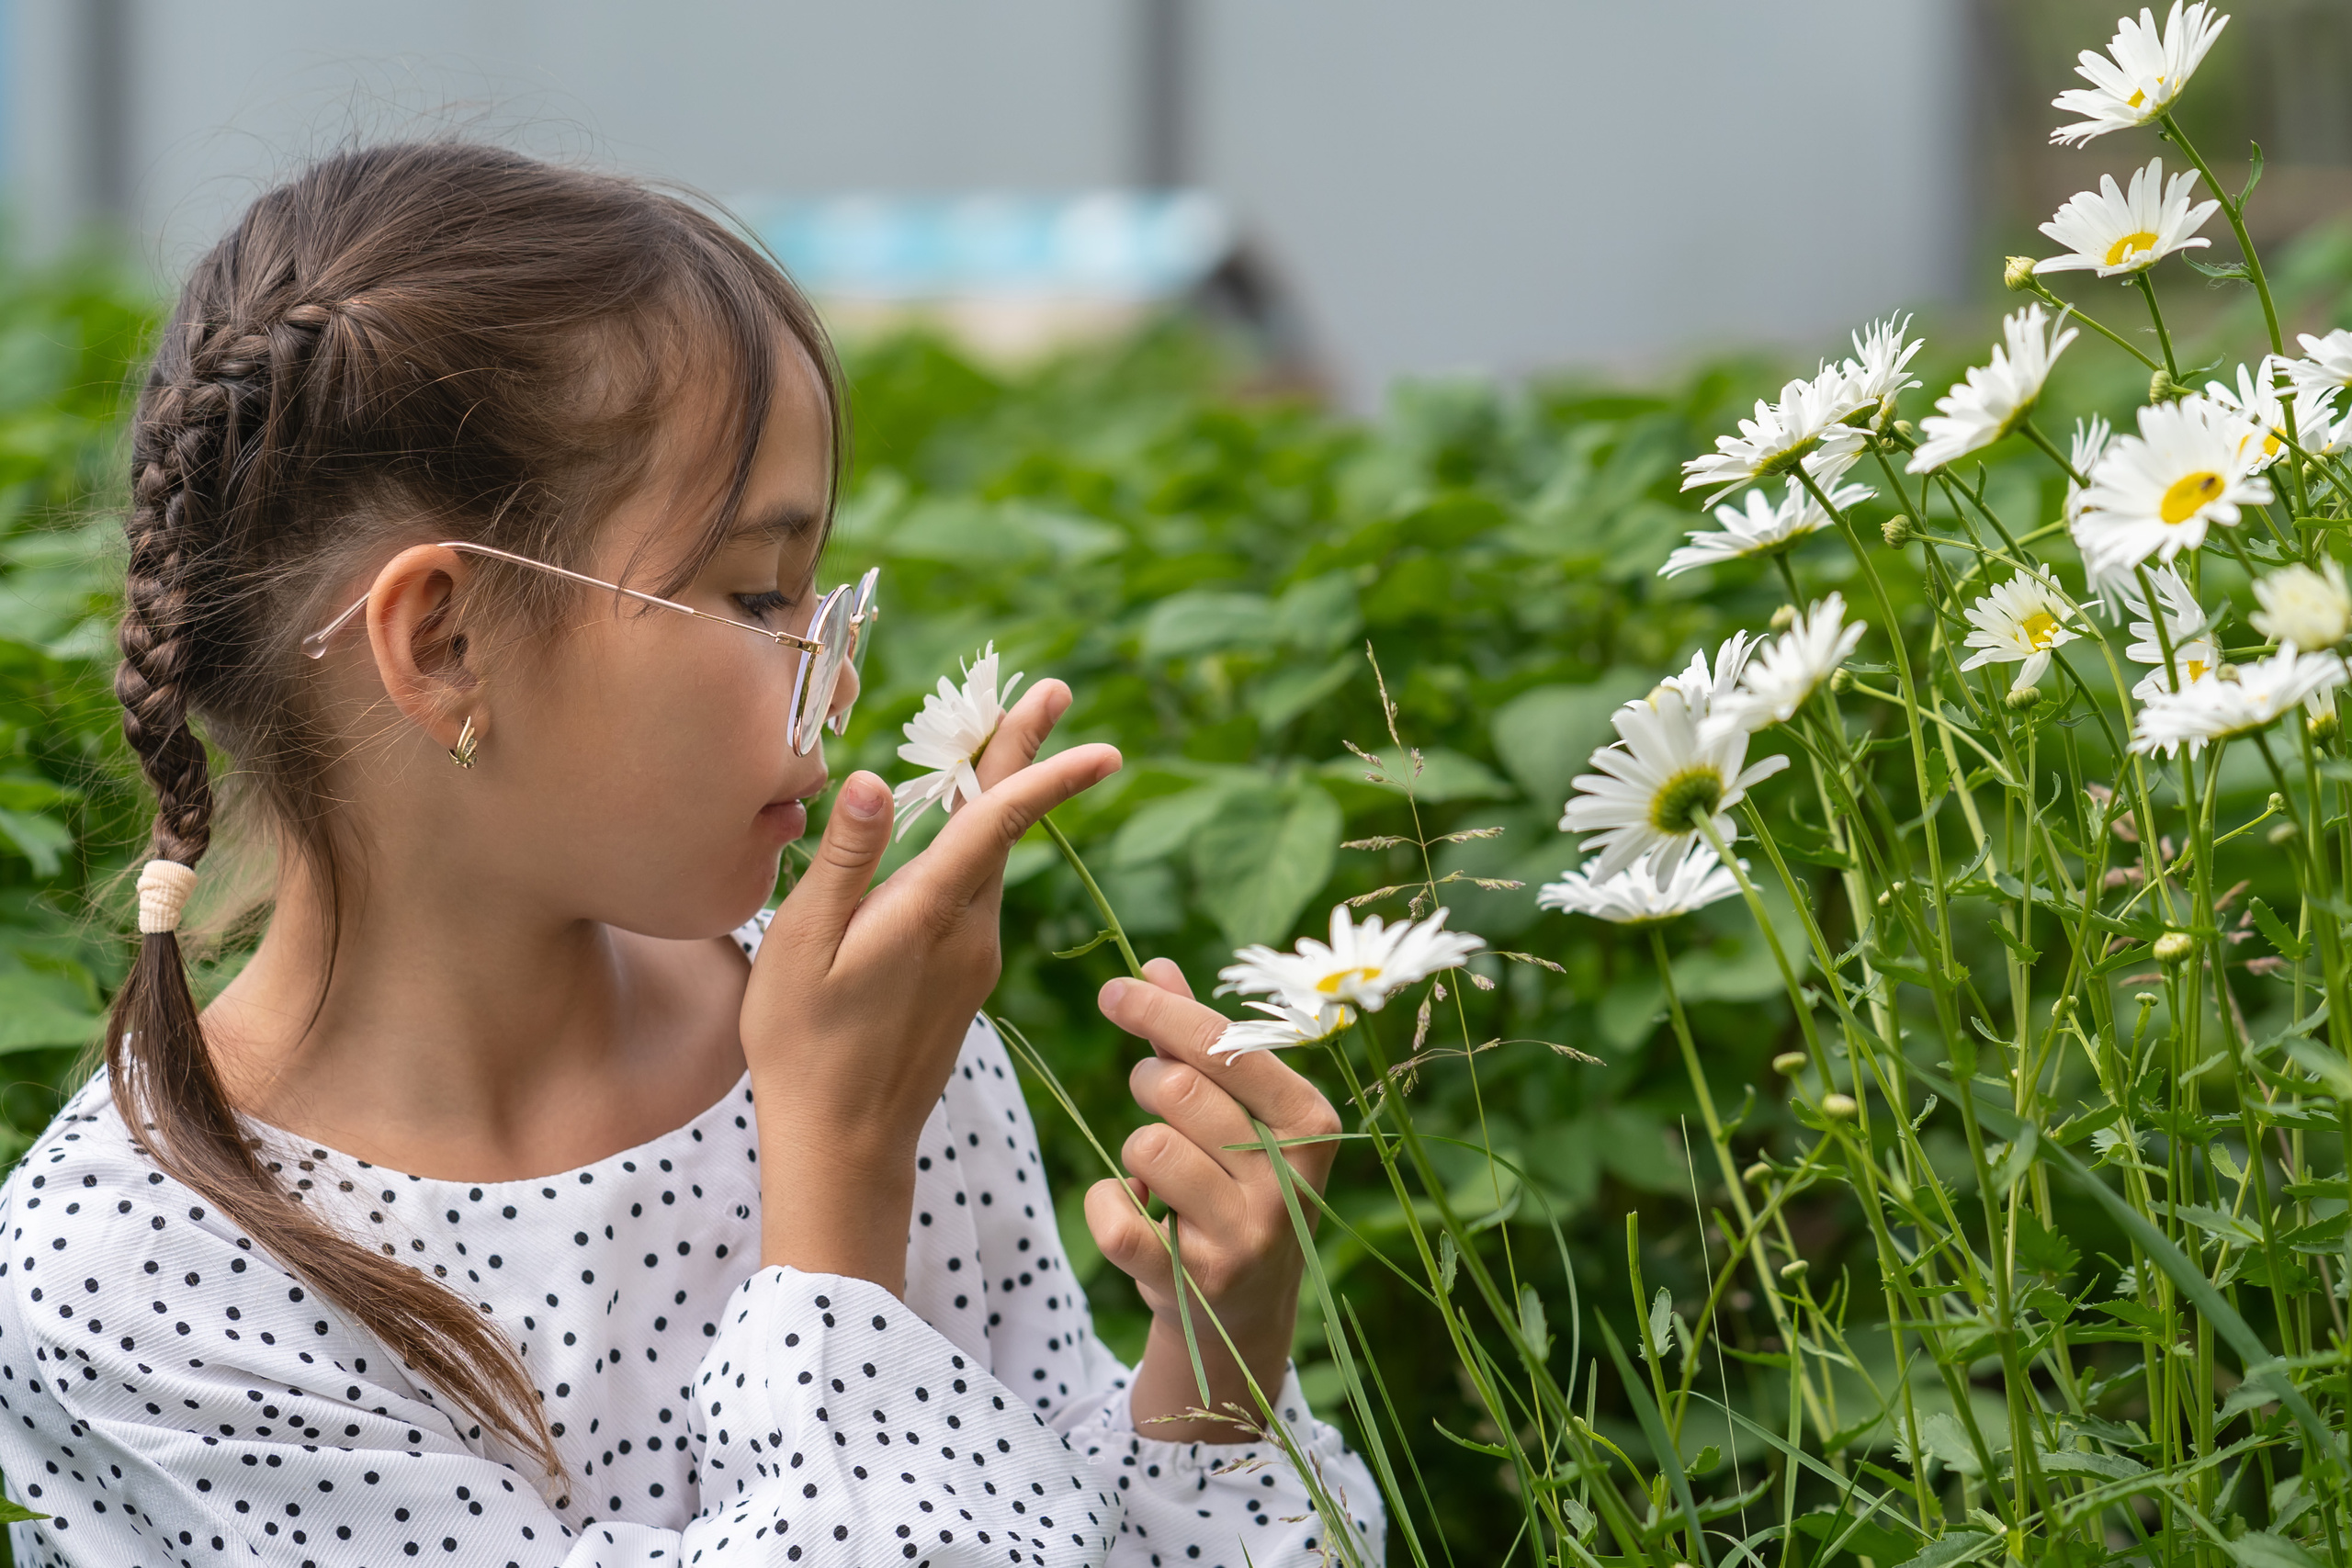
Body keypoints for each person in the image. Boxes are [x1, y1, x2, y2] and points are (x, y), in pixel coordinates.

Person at [0, 143, 1378, 1568]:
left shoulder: (846, 1037)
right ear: (446, 642)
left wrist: (1212, 1389)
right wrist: (836, 1199)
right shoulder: (135, 1279)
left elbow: (1052, 1519)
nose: (831, 683)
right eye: (759, 594)